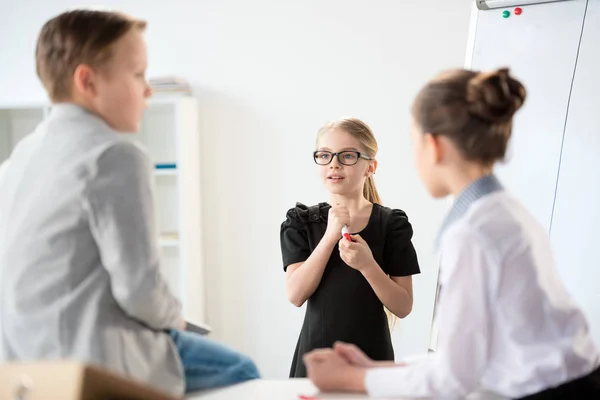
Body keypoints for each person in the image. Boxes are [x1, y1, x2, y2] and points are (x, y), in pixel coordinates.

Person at [0, 9, 259, 396]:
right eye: (138, 74)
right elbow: (140, 291)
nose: (148, 90)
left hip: (23, 363)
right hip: (89, 358)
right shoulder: (113, 155)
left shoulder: (18, 159)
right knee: (241, 368)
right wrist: (176, 319)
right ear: (87, 81)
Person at [303, 68, 600, 399]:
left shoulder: (472, 234)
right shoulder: (503, 212)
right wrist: (370, 370)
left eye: (413, 143)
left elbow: (452, 379)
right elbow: (464, 361)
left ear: (434, 147)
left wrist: (353, 380)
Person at [280, 117, 421, 378]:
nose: (334, 163)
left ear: (371, 166)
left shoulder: (392, 224)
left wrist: (368, 265)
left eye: (347, 156)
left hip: (373, 364)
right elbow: (296, 294)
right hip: (315, 363)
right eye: (324, 155)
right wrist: (330, 236)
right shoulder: (300, 222)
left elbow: (403, 306)